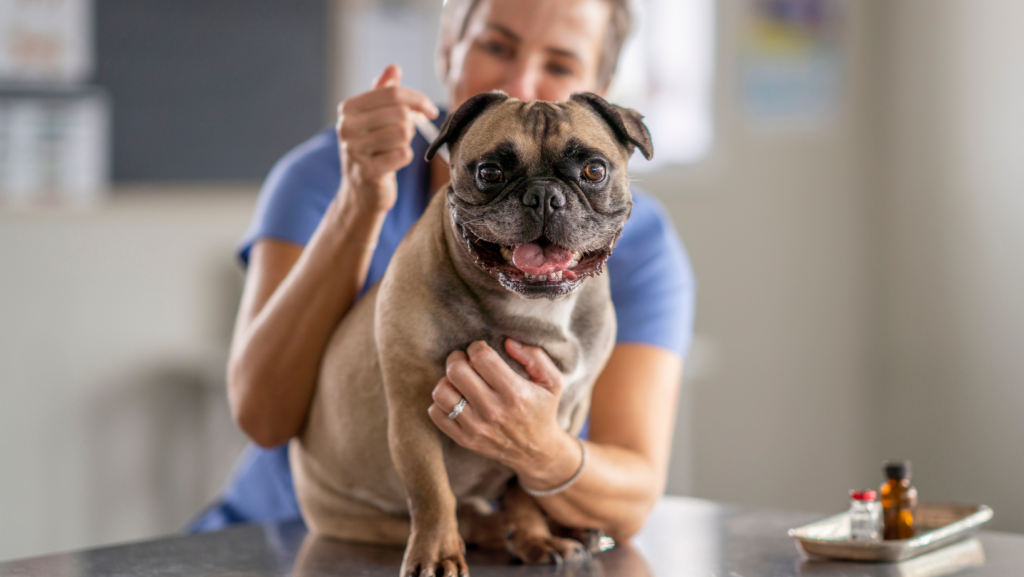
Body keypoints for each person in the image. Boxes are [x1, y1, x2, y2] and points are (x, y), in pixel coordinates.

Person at [189, 0, 695, 542]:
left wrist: (539, 450)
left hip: (493, 539)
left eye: (561, 65)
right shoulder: (326, 174)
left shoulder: (643, 245)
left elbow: (633, 500)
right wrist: (358, 204)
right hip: (286, 529)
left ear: (602, 81)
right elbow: (264, 419)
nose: (522, 78)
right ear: (448, 50)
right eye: (495, 46)